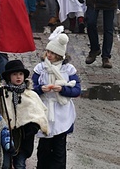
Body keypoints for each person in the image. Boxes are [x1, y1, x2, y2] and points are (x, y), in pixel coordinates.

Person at [32, 28, 81, 169]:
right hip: (46, 109)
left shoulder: (68, 69)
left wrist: (63, 89)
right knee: (44, 148)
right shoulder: (40, 69)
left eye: (53, 53)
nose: (50, 55)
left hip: (61, 111)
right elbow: (32, 89)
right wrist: (41, 89)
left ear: (60, 55)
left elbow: (76, 90)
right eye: (48, 52)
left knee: (59, 148)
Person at [0, 60, 48, 169]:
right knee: (5, 165)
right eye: (15, 74)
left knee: (20, 165)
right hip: (6, 136)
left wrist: (33, 127)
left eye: (20, 74)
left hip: (24, 137)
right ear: (8, 77)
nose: (18, 77)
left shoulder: (30, 95)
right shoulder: (2, 93)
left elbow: (39, 114)